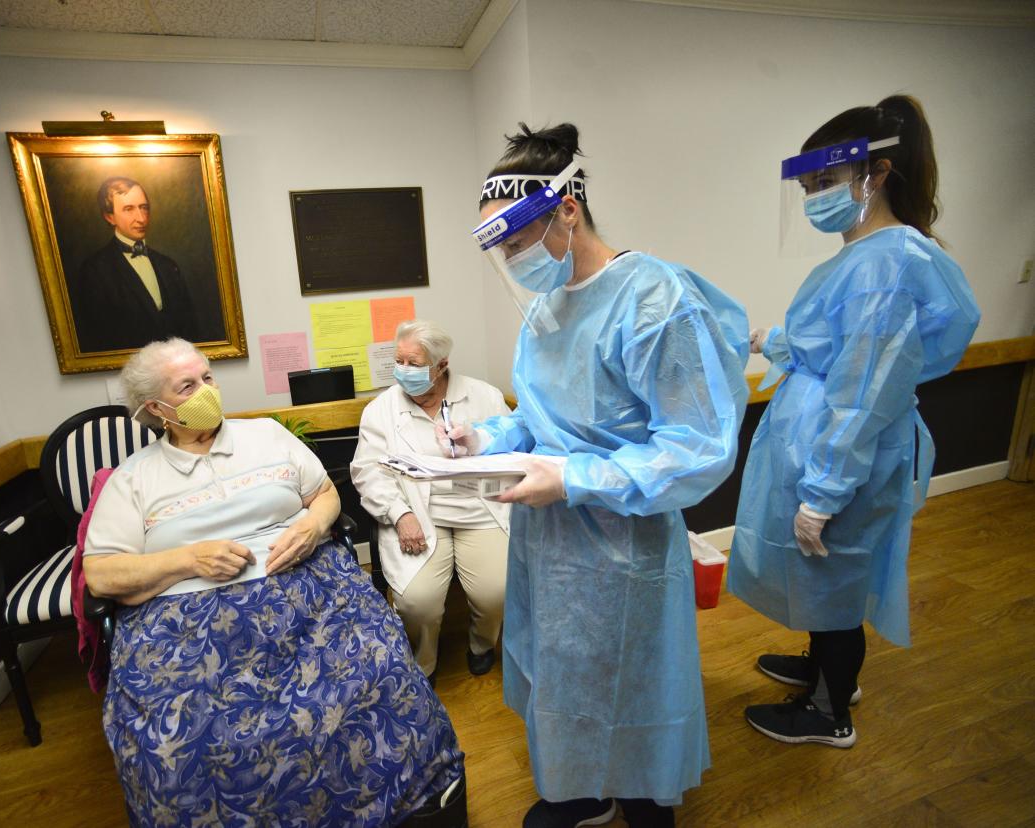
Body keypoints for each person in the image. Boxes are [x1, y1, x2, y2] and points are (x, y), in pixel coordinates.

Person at [443, 124, 750, 828]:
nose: (511, 259)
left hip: (623, 540)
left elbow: (696, 445)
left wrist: (575, 479)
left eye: (516, 242)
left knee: (631, 678)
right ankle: (583, 790)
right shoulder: (548, 312)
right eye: (501, 248)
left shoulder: (654, 300)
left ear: (567, 210)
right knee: (566, 668)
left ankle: (643, 801)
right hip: (550, 543)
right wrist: (482, 438)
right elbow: (539, 421)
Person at [82, 338, 465, 827]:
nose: (207, 391)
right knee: (176, 739)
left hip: (306, 586)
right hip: (187, 617)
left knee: (381, 672)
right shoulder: (134, 479)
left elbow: (324, 493)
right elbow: (102, 572)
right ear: (156, 408)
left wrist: (312, 525)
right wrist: (186, 559)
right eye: (188, 386)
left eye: (207, 377)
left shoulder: (266, 435)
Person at [729, 95, 980, 748]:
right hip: (825, 443)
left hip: (843, 454)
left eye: (825, 182)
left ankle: (829, 712)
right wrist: (774, 340)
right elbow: (839, 348)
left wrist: (825, 491)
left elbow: (864, 390)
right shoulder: (868, 258)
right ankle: (822, 670)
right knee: (822, 573)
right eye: (807, 185)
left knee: (832, 572)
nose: (814, 197)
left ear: (875, 176)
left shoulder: (884, 264)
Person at [351, 319, 511, 684]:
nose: (403, 371)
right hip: (419, 514)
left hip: (480, 510)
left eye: (413, 363)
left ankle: (481, 645)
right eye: (399, 361)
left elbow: (513, 450)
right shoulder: (381, 410)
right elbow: (367, 472)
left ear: (441, 365)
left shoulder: (485, 397)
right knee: (417, 601)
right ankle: (424, 663)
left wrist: (478, 446)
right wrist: (399, 513)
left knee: (497, 592)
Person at [72, 177, 209, 352]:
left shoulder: (167, 265)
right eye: (129, 209)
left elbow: (190, 327)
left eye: (144, 208)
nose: (141, 218)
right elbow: (98, 336)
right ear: (109, 217)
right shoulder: (95, 270)